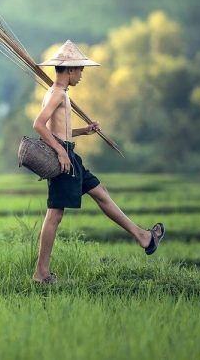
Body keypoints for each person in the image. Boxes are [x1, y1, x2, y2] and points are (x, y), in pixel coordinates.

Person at [31, 40, 165, 284]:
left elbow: (60, 129)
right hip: (64, 159)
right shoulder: (57, 93)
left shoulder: (60, 93)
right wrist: (61, 153)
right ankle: (41, 273)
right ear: (70, 70)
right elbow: (39, 125)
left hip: (71, 155)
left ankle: (143, 237)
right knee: (54, 214)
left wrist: (84, 130)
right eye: (80, 69)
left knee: (100, 193)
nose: (82, 75)